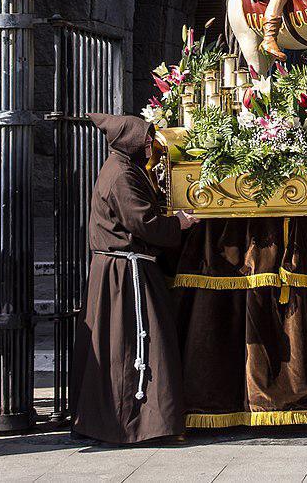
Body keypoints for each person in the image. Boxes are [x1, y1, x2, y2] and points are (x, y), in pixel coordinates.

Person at [70, 113, 197, 445]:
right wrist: (179, 223)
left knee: (124, 345)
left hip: (122, 271)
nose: (149, 144)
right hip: (125, 274)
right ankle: (138, 423)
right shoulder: (122, 175)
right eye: (145, 139)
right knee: (138, 346)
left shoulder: (123, 168)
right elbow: (143, 223)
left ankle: (133, 422)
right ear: (130, 142)